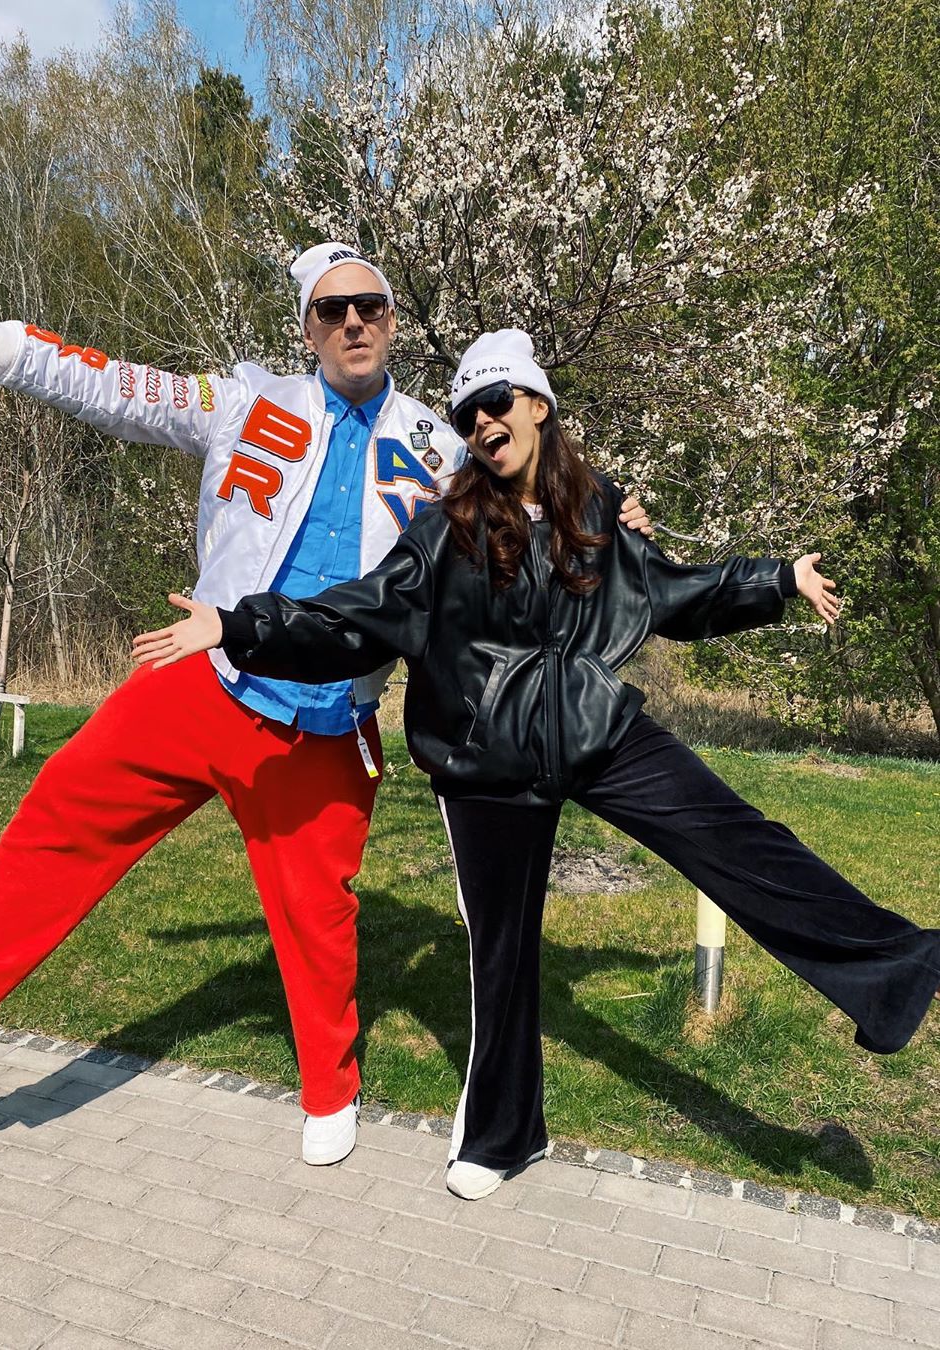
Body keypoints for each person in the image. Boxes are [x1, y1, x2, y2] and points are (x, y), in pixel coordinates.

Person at [0, 246, 654, 1165]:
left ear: (392, 321)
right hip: (205, 680)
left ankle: (332, 1093)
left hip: (327, 722)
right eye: (332, 311)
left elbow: (531, 500)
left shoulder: (440, 447)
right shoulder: (244, 400)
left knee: (317, 918)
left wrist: (612, 517)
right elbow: (111, 386)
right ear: (307, 329)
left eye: (368, 307)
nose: (352, 323)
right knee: (61, 812)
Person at [132, 328, 940, 1198]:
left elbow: (668, 593)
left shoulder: (596, 508)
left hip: (594, 728)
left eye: (497, 402)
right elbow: (354, 615)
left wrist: (775, 581)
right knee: (503, 957)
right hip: (487, 758)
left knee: (740, 841)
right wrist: (237, 624)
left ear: (538, 406)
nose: (483, 423)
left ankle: (899, 968)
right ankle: (505, 1135)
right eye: (466, 414)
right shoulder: (444, 531)